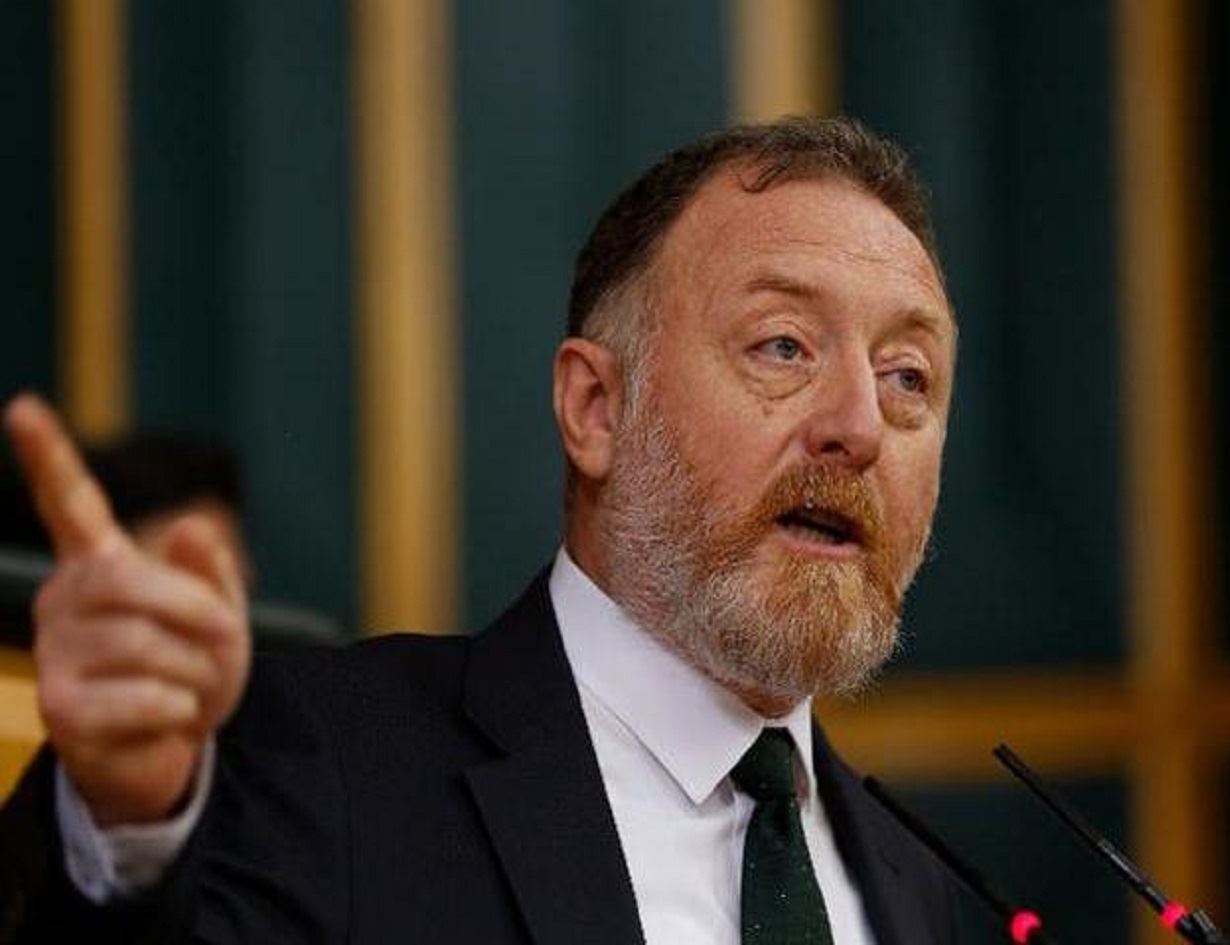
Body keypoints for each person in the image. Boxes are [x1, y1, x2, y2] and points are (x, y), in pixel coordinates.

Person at [0, 117, 964, 944]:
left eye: (907, 377)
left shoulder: (916, 886)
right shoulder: (324, 763)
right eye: (784, 346)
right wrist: (129, 829)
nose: (859, 425)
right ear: (596, 408)